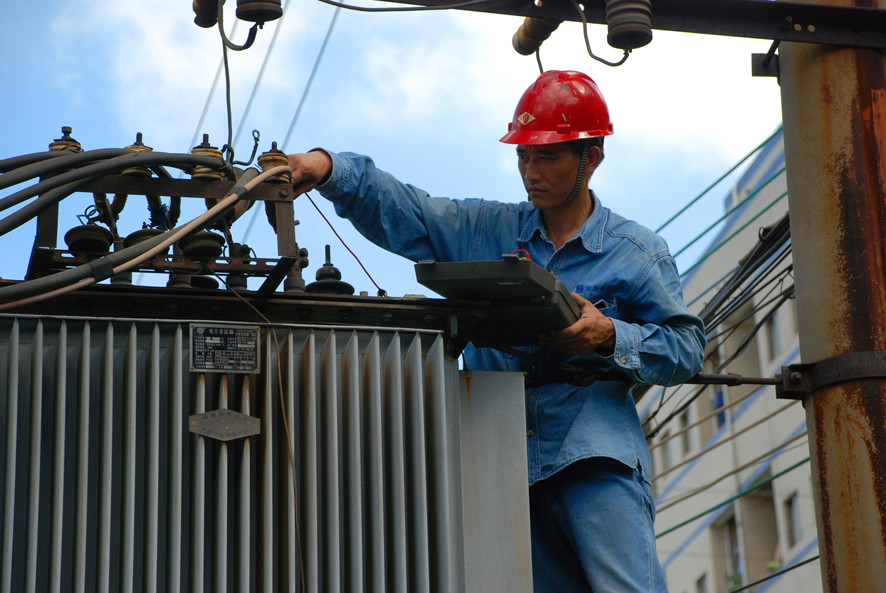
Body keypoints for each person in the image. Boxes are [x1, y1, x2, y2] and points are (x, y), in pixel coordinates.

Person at [287, 70, 705, 592]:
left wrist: (608, 334)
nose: (532, 171)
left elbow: (687, 349)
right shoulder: (486, 230)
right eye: (523, 156)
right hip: (498, 456)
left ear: (592, 157)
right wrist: (329, 169)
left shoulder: (635, 252)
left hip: (592, 454)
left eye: (547, 156)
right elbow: (409, 210)